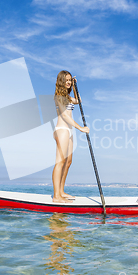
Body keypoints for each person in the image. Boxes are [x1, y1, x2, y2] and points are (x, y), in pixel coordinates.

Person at [52, 71, 89, 203]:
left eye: (69, 80)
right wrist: (81, 128)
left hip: (69, 131)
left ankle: (61, 191)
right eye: (66, 80)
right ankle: (56, 196)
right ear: (61, 81)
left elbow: (78, 100)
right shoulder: (58, 96)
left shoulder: (67, 97)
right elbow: (65, 116)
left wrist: (74, 87)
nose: (68, 82)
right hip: (62, 130)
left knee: (68, 162)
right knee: (60, 162)